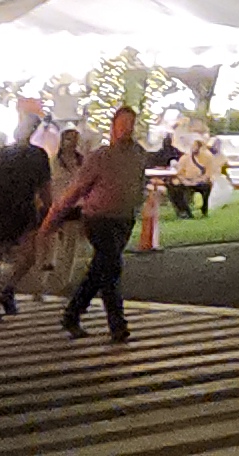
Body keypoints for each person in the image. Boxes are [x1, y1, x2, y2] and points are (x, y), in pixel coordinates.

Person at [44, 106, 150, 342]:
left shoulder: (139, 154)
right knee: (111, 268)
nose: (126, 129)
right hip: (99, 219)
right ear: (113, 126)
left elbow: (140, 183)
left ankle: (72, 314)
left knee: (99, 270)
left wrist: (137, 203)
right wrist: (54, 217)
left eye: (130, 124)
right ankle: (117, 324)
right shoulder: (100, 157)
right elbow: (77, 189)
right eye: (122, 123)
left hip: (124, 219)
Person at [0, 103, 54, 321]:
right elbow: (44, 187)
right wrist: (50, 208)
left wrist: (49, 207)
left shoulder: (3, 156)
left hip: (10, 209)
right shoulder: (32, 156)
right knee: (8, 256)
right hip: (12, 209)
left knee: (4, 257)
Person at [46, 123, 94, 293]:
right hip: (58, 205)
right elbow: (51, 184)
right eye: (68, 138)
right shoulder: (54, 162)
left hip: (76, 206)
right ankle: (52, 273)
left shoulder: (81, 162)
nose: (71, 142)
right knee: (55, 240)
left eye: (74, 139)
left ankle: (65, 278)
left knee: (71, 243)